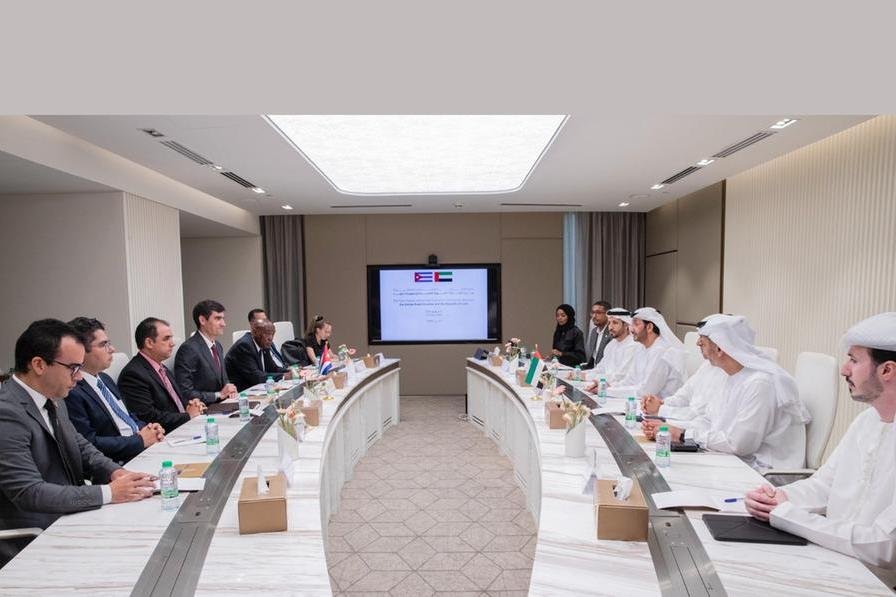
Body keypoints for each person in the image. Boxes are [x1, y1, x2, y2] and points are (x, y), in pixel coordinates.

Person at [745, 312, 896, 568]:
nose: (844, 370)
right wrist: (776, 497)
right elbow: (824, 486)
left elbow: (883, 546)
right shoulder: (865, 421)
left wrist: (788, 515)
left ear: (887, 370)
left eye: (854, 360)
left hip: (876, 580)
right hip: (832, 556)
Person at [0, 319, 155, 567]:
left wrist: (116, 472)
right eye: (73, 368)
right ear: (39, 365)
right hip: (33, 539)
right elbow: (28, 492)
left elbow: (80, 446)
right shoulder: (6, 412)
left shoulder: (53, 397)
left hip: (70, 515)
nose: (79, 377)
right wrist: (109, 492)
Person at [645, 314, 810, 471]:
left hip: (762, 470)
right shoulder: (729, 376)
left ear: (719, 348)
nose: (697, 345)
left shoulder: (760, 384)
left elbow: (739, 445)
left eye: (702, 343)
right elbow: (708, 420)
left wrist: (683, 434)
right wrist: (669, 428)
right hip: (733, 459)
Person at [65, 317, 165, 465]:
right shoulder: (72, 391)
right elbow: (89, 442)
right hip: (119, 462)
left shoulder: (105, 379)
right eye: (103, 345)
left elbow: (127, 416)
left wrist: (149, 428)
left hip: (142, 450)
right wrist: (139, 441)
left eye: (109, 343)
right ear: (81, 351)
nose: (112, 349)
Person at [118, 318, 207, 432]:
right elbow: (148, 416)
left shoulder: (160, 366)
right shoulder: (133, 374)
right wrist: (188, 416)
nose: (172, 343)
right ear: (149, 343)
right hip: (167, 435)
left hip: (184, 427)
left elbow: (175, 401)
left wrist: (191, 405)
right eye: (166, 338)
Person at [640, 314, 728, 421]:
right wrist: (661, 403)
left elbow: (701, 415)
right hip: (683, 421)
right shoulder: (707, 365)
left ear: (720, 343)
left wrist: (660, 409)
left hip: (692, 426)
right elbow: (684, 395)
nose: (698, 343)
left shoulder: (729, 373)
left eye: (703, 337)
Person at [609, 307, 686, 399]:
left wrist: (609, 392)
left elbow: (646, 391)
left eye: (636, 324)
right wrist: (608, 387)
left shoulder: (662, 351)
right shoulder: (641, 348)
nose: (631, 329)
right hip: (641, 401)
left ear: (649, 327)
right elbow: (630, 380)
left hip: (663, 405)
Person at [174, 300, 237, 405]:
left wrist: (229, 389)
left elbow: (223, 380)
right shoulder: (189, 349)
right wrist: (218, 395)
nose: (223, 324)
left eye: (223, 319)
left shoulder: (218, 346)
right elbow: (185, 392)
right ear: (202, 320)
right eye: (218, 318)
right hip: (204, 409)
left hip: (223, 405)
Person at [226, 319, 290, 391]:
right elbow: (256, 377)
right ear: (255, 332)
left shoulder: (263, 344)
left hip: (256, 389)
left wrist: (291, 371)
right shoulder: (244, 345)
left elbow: (272, 368)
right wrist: (283, 376)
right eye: (267, 333)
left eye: (272, 334)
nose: (270, 338)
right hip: (241, 392)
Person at [585, 308, 638, 384]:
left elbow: (620, 376)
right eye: (609, 323)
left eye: (615, 323)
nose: (610, 327)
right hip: (606, 385)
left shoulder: (633, 345)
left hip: (621, 388)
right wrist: (581, 374)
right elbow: (600, 368)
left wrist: (588, 377)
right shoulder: (611, 345)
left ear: (626, 325)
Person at [584, 301, 613, 369]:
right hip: (594, 370)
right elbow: (593, 358)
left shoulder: (612, 332)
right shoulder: (594, 332)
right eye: (593, 313)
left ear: (608, 314)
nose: (594, 316)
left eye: (598, 313)